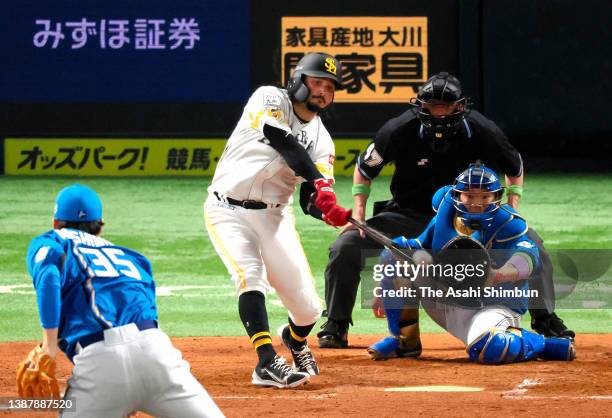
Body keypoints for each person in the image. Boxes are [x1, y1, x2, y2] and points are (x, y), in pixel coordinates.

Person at [318, 72, 574, 349]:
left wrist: (512, 208)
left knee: (534, 245)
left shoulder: (483, 131)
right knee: (346, 245)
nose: (439, 113)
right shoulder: (397, 130)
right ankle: (336, 323)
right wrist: (358, 213)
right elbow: (364, 169)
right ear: (420, 105)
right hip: (408, 214)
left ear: (459, 106)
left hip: (471, 217)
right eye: (432, 106)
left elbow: (515, 168)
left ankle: (545, 319)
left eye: (445, 106)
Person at [204, 52, 352, 388]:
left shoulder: (322, 140)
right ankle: (266, 362)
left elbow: (308, 201)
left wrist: (326, 209)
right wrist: (320, 184)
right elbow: (283, 141)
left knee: (309, 310)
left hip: (274, 217)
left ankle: (295, 340)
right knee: (250, 277)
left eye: (330, 87)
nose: (323, 91)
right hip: (227, 209)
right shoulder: (269, 98)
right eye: (317, 82)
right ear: (299, 80)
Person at [18, 184, 224, 417]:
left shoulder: (51, 242)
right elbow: (149, 314)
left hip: (100, 365)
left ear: (56, 223)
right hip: (158, 355)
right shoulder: (135, 259)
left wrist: (49, 346)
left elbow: (49, 279)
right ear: (100, 227)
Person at [367, 164, 576, 364]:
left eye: (485, 197)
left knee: (490, 349)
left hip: (493, 306)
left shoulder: (508, 223)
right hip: (448, 298)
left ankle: (543, 344)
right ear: (458, 196)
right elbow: (417, 246)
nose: (477, 203)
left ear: (496, 197)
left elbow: (528, 258)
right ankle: (403, 342)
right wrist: (385, 284)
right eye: (470, 196)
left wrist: (500, 274)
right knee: (394, 253)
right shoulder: (445, 212)